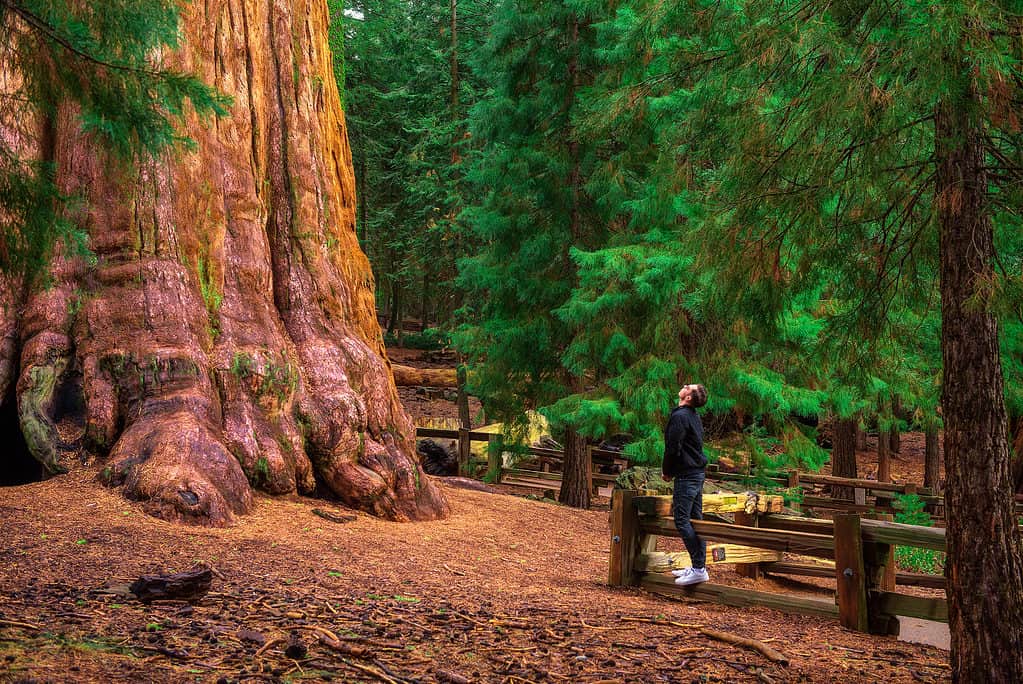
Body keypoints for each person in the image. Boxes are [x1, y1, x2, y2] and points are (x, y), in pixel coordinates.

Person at [661, 383, 709, 586]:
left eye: (688, 387)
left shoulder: (681, 417)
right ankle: (699, 567)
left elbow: (673, 447)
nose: (683, 386)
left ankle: (698, 569)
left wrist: (667, 471)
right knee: (696, 521)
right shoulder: (691, 416)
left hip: (688, 476)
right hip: (696, 473)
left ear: (688, 397)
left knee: (682, 521)